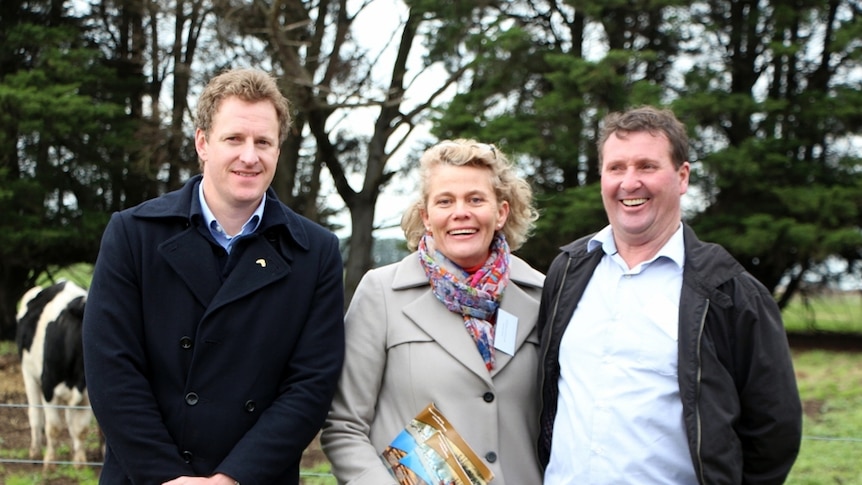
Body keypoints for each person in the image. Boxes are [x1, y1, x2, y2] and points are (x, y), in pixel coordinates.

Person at [82, 68, 345, 485]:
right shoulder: (133, 234)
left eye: (263, 142)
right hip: (146, 476)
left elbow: (310, 385)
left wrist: (233, 477)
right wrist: (167, 475)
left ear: (279, 149)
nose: (249, 156)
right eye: (234, 139)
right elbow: (111, 369)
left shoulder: (316, 253)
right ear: (203, 143)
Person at [538, 105, 803, 484]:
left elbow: (774, 432)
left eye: (647, 166)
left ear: (682, 177)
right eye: (616, 168)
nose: (629, 183)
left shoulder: (729, 292)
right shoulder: (567, 272)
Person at [320, 139, 545, 484]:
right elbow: (344, 426)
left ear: (501, 212)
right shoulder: (381, 293)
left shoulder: (544, 296)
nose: (460, 212)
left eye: (475, 199)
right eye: (445, 201)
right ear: (426, 216)